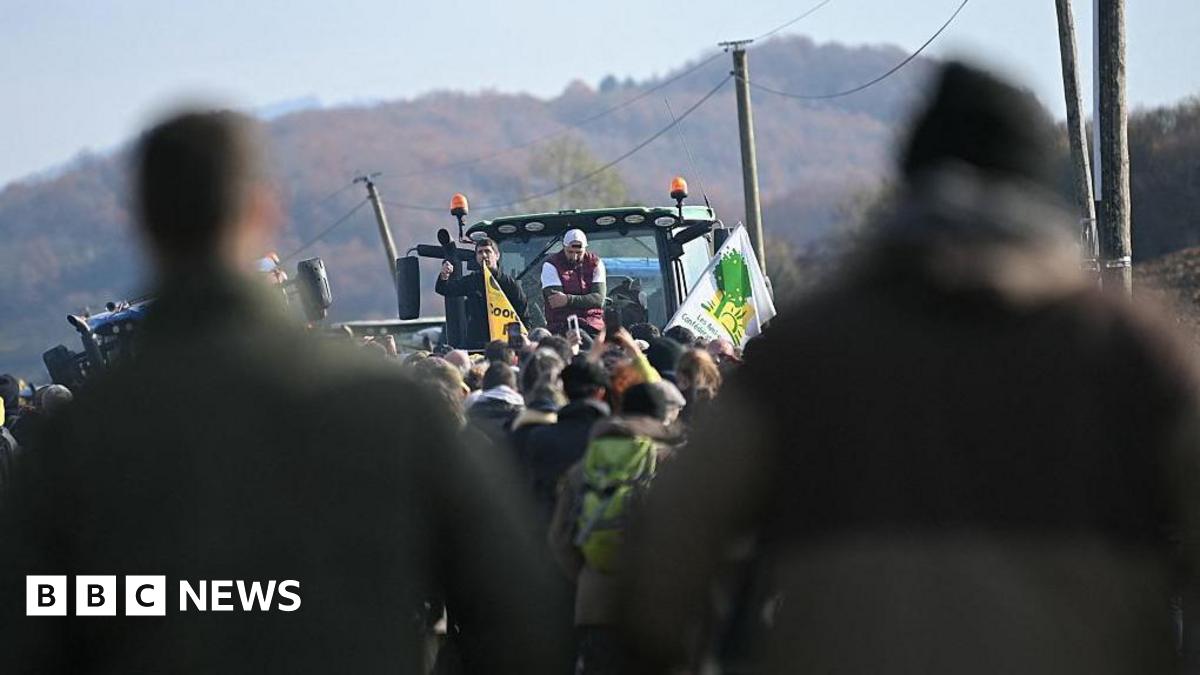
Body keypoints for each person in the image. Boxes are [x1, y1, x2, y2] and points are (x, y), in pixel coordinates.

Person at [621, 62, 1200, 675]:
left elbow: (664, 566)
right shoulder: (1132, 352)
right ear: (1040, 190)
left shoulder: (805, 353)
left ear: (909, 183)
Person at [0, 110, 567, 674]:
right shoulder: (381, 406)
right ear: (263, 210)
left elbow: (33, 624)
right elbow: (520, 613)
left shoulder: (73, 442)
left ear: (144, 224)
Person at [549, 382, 681, 675]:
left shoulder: (586, 465)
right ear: (662, 417)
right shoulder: (673, 462)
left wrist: (590, 572)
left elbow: (559, 538)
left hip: (596, 607)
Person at [436, 237, 528, 349]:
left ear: (497, 255)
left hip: (504, 346)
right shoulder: (472, 281)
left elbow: (524, 315)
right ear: (476, 257)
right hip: (476, 346)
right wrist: (444, 275)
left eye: (488, 251)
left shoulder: (509, 284)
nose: (484, 255)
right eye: (480, 252)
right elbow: (444, 289)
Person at [542, 229, 606, 335]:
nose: (575, 257)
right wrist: (588, 299)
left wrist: (568, 299)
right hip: (562, 327)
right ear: (564, 247)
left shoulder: (596, 263)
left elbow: (599, 300)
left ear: (585, 249)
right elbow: (556, 302)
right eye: (570, 252)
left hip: (593, 326)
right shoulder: (551, 265)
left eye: (579, 253)